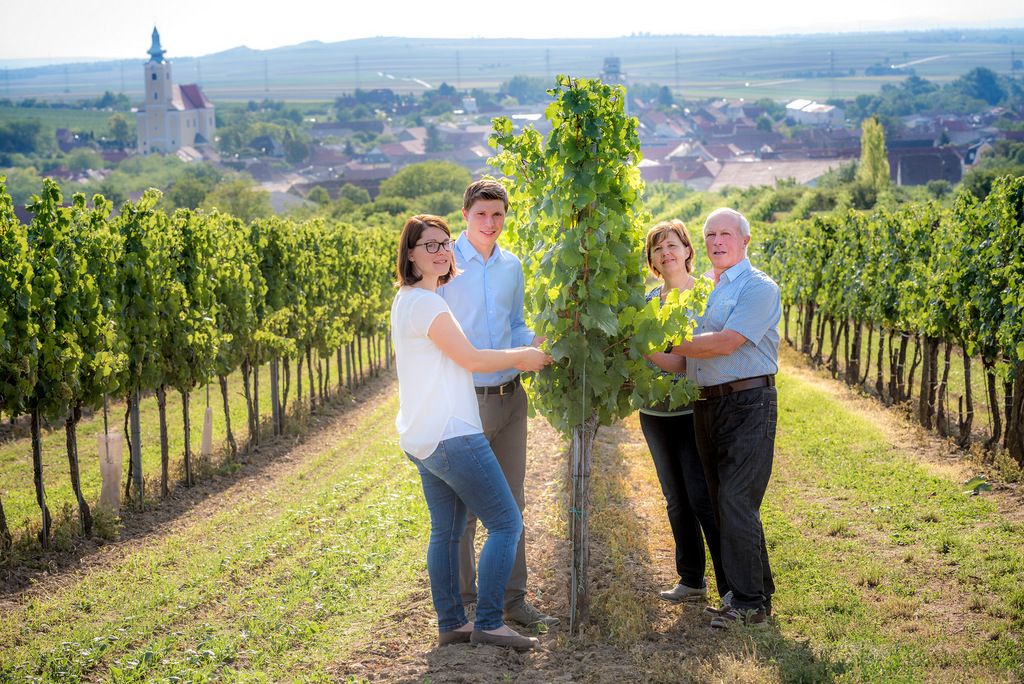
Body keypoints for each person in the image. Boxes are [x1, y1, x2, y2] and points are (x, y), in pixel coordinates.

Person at [392, 214, 551, 650]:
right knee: (506, 523)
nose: (442, 252)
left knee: (447, 530)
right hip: (452, 433)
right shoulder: (428, 306)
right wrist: (522, 356)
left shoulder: (408, 299)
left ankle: (452, 623)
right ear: (410, 254)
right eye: (430, 245)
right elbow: (473, 359)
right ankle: (489, 622)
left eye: (445, 243)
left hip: (423, 434)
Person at [438, 179, 559, 629]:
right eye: (481, 214)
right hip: (464, 401)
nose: (490, 223)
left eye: (498, 215)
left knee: (511, 503)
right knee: (464, 509)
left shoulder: (512, 266)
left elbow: (515, 325)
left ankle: (514, 600)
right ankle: (466, 602)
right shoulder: (445, 264)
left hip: (511, 399)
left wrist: (541, 340)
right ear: (465, 215)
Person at [657, 207, 780, 628]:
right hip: (706, 403)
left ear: (745, 241)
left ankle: (746, 604)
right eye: (710, 235)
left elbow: (725, 343)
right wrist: (640, 347)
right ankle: (757, 596)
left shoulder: (758, 287)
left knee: (735, 499)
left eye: (726, 234)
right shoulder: (704, 290)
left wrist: (668, 341)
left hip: (748, 402)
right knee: (726, 500)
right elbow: (684, 362)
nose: (717, 242)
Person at [640, 220, 730, 609]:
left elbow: (685, 362)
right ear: (652, 259)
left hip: (696, 409)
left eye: (672, 245)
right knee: (675, 498)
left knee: (702, 497)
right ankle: (691, 579)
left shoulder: (706, 296)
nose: (666, 253)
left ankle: (730, 585)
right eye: (658, 248)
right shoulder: (647, 302)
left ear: (688, 250)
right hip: (654, 413)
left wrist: (644, 350)